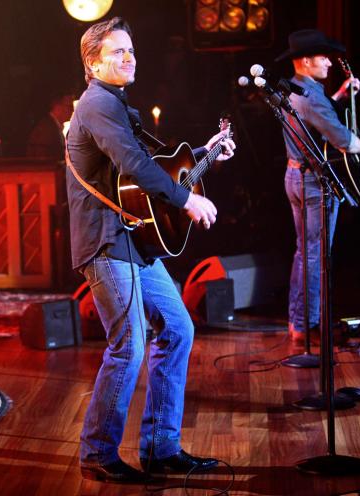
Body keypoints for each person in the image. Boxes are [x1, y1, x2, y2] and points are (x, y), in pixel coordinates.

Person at [68, 17, 235, 483]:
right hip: (105, 242)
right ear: (92, 62)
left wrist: (206, 152)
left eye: (131, 50)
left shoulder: (118, 104)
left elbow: (158, 164)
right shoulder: (97, 103)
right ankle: (97, 452)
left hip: (133, 239)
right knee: (130, 345)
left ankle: (161, 448)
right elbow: (135, 165)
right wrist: (188, 199)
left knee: (178, 328)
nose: (129, 57)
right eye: (118, 51)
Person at [276, 29, 360, 342]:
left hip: (295, 176)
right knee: (316, 256)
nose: (330, 64)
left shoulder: (297, 91)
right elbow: (340, 139)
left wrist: (340, 96)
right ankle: (308, 326)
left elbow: (314, 114)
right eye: (323, 58)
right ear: (306, 61)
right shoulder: (309, 97)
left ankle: (300, 322)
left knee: (304, 253)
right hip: (312, 183)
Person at [26, 91, 75, 160]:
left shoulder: (51, 127)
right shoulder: (46, 130)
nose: (73, 110)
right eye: (70, 106)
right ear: (57, 106)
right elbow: (42, 160)